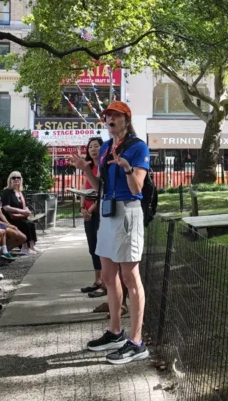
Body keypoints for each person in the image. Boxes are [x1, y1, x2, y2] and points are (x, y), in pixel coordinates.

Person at [69, 101, 151, 364]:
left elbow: (137, 187)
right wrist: (85, 169)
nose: (110, 119)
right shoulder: (105, 147)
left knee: (130, 275)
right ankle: (115, 331)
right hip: (107, 212)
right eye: (107, 116)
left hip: (128, 211)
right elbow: (100, 185)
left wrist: (127, 167)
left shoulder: (138, 147)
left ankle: (137, 343)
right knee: (107, 273)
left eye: (115, 115)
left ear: (126, 119)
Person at [78, 137, 106, 306]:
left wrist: (91, 208)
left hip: (99, 212)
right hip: (87, 213)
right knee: (92, 247)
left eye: (96, 146)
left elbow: (101, 191)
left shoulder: (103, 167)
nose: (93, 149)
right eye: (90, 147)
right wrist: (82, 208)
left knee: (102, 247)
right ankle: (97, 280)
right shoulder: (87, 167)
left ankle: (104, 282)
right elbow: (84, 189)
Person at [0, 171, 39, 254]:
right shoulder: (7, 192)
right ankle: (24, 247)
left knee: (31, 224)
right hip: (10, 218)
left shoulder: (19, 192)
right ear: (10, 180)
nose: (16, 179)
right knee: (25, 224)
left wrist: (27, 210)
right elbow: (6, 207)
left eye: (18, 177)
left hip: (20, 216)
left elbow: (23, 206)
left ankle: (31, 246)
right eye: (14, 178)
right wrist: (22, 211)